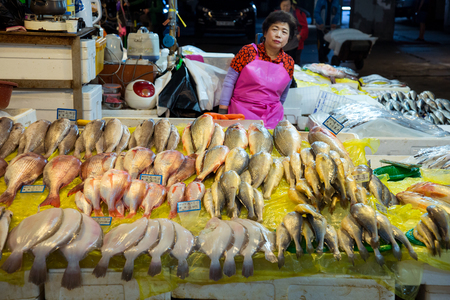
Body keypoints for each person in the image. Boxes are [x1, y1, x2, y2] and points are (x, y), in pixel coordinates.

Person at [218, 11, 296, 129]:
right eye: (275, 29)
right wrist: (222, 110)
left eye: (284, 32)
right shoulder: (247, 51)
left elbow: (283, 95)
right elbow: (229, 81)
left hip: (272, 118)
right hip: (240, 114)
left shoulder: (289, 63)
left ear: (288, 38)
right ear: (265, 32)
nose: (278, 35)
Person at [280, 0, 309, 65]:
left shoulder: (298, 13)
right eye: (283, 6)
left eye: (287, 6)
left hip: (294, 44)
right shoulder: (277, 14)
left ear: (290, 5)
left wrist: (300, 35)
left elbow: (304, 27)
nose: (285, 8)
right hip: (281, 45)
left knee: (294, 64)